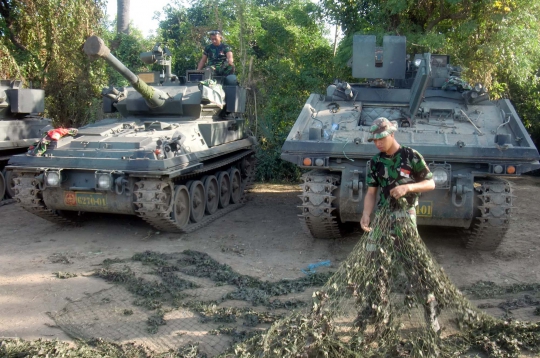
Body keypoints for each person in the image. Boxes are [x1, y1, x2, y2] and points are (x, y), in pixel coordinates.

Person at [358, 117, 440, 333]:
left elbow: (430, 182)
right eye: (374, 140)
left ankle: (431, 315)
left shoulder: (411, 156)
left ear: (392, 134)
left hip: (404, 217)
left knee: (415, 267)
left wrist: (408, 188)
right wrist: (366, 214)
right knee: (376, 266)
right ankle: (380, 314)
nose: (377, 143)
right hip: (383, 219)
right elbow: (371, 192)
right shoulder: (375, 162)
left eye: (381, 138)